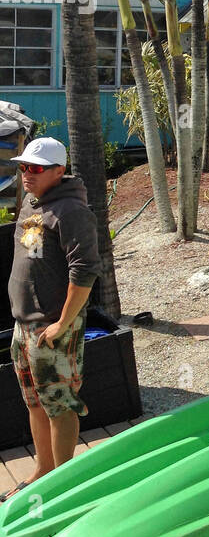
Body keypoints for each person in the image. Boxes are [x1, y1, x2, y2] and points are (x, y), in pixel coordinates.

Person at [2, 138, 100, 498]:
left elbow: (86, 271)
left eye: (37, 168)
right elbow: (35, 253)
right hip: (23, 322)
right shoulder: (32, 200)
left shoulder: (72, 212)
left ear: (59, 172)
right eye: (24, 166)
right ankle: (44, 470)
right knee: (35, 400)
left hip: (52, 326)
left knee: (59, 403)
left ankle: (64, 485)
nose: (27, 174)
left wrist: (61, 324)